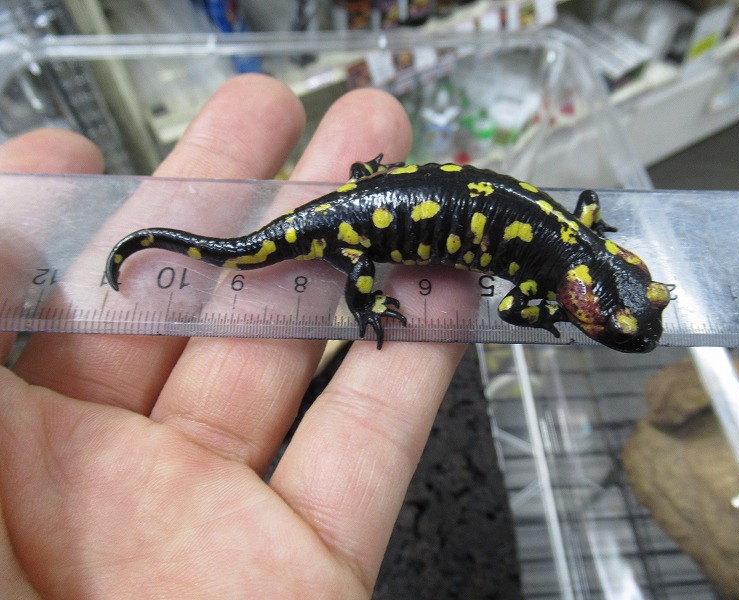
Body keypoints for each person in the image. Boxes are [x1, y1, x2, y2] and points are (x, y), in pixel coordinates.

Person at [0, 74, 465, 598]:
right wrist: (368, 301)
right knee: (346, 265)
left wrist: (367, 179)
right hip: (345, 228)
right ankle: (361, 298)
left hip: (353, 207)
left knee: (341, 238)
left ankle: (357, 216)